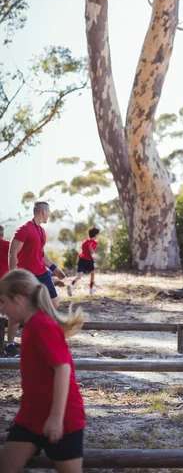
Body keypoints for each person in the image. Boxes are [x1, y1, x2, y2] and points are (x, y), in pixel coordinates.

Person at [0, 268, 85, 473]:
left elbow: (63, 370)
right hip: (31, 416)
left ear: (19, 299)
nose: (2, 310)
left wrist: (56, 418)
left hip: (63, 417)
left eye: (3, 302)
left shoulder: (42, 326)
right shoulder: (30, 327)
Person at [8, 201, 65, 314]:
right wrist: (13, 276)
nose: (49, 215)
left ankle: (38, 325)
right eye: (48, 212)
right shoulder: (24, 229)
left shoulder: (42, 231)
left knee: (54, 304)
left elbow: (41, 254)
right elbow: (12, 252)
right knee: (19, 311)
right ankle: (16, 331)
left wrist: (55, 268)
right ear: (44, 212)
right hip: (27, 274)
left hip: (42, 274)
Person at [0, 225, 18, 357]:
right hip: (6, 282)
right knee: (6, 312)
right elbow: (15, 257)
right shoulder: (7, 244)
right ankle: (9, 344)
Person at [68, 227, 100, 297]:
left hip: (81, 259)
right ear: (95, 235)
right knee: (93, 273)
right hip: (88, 260)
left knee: (79, 275)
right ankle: (91, 289)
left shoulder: (85, 241)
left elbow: (84, 248)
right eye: (97, 234)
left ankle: (71, 284)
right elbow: (90, 248)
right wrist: (93, 255)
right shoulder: (94, 242)